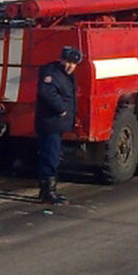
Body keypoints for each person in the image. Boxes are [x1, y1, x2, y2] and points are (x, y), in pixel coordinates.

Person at [35, 45, 81, 204]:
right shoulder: (52, 72)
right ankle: (49, 192)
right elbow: (46, 92)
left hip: (56, 123)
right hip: (51, 123)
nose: (70, 66)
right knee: (50, 157)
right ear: (61, 59)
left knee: (52, 155)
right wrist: (61, 109)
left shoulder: (65, 75)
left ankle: (46, 190)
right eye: (68, 62)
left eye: (73, 64)